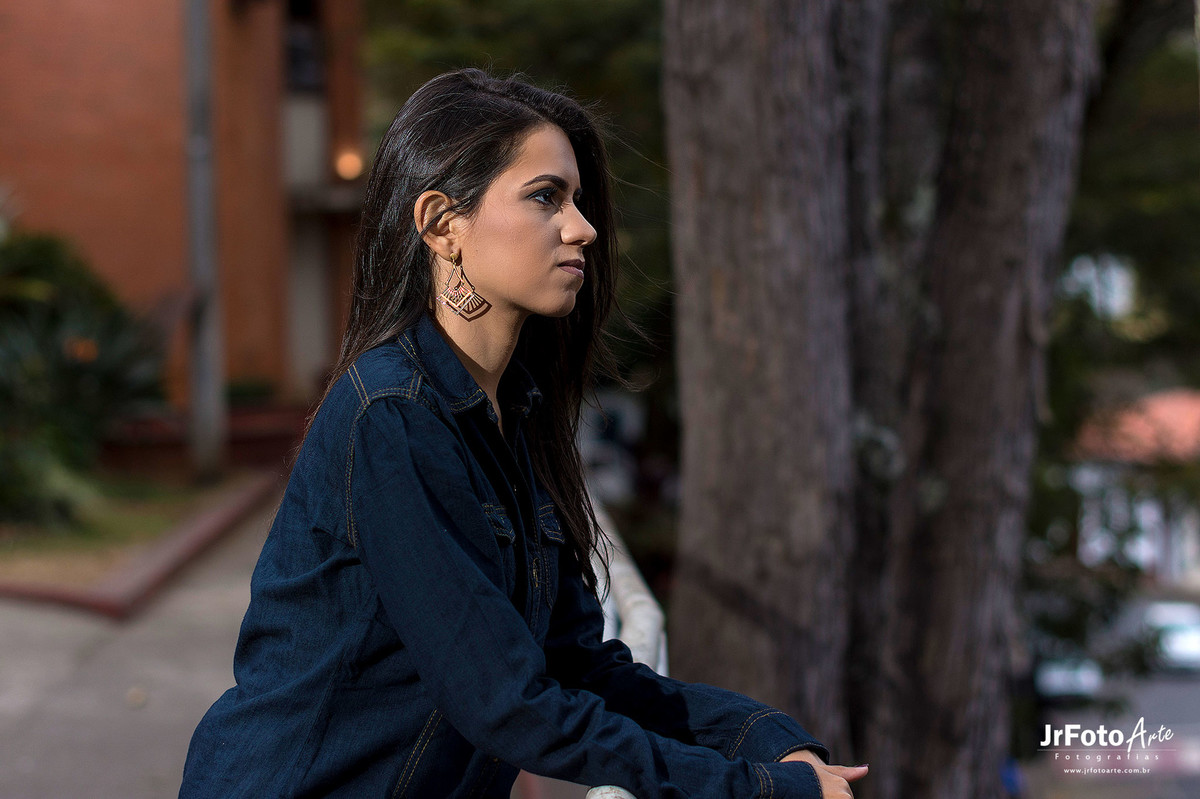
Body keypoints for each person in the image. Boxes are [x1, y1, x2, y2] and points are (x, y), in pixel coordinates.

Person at [179, 68, 868, 799]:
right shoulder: (393, 416)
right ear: (443, 223)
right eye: (546, 197)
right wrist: (756, 791)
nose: (583, 227)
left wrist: (764, 738)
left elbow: (579, 666)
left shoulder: (514, 416)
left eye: (575, 199)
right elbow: (507, 704)